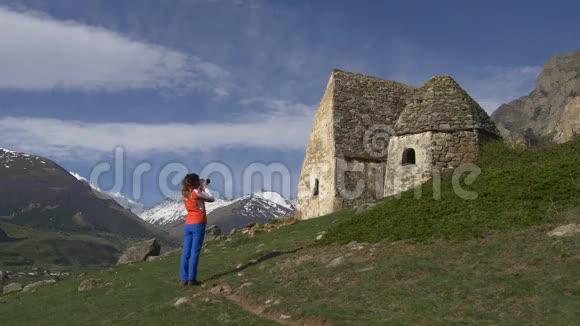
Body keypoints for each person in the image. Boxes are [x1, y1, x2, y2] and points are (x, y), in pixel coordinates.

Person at [180, 173, 214, 286]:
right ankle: (192, 279)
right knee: (195, 251)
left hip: (188, 223)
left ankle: (183, 278)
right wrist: (205, 187)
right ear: (195, 182)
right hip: (198, 223)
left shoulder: (184, 192)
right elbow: (211, 198)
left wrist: (200, 186)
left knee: (186, 252)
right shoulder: (196, 192)